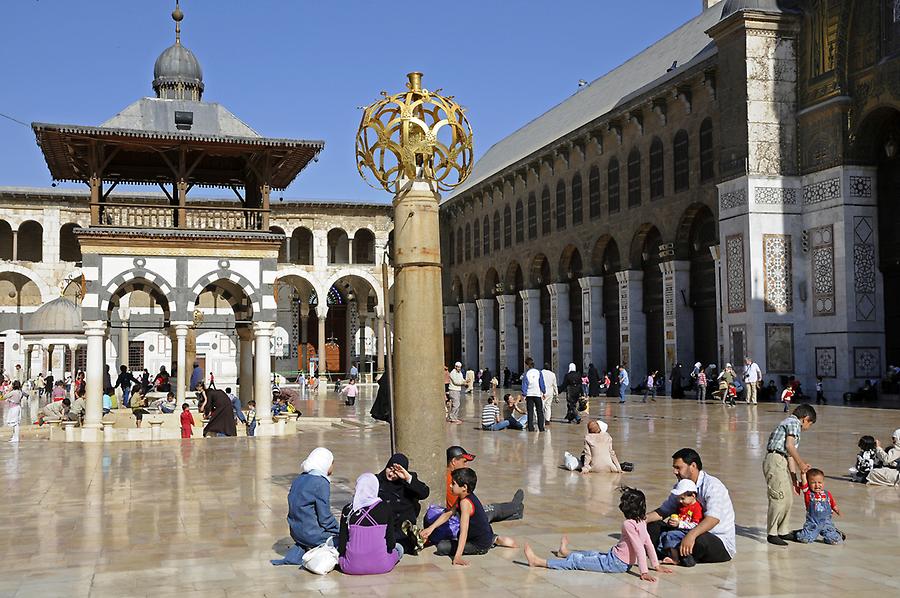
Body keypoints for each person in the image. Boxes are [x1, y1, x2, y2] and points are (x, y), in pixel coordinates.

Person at [524, 487, 672, 582]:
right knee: (592, 553)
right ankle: (565, 552)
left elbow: (640, 547)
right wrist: (656, 565)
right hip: (616, 559)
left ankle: (539, 562)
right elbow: (648, 544)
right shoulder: (641, 522)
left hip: (615, 563)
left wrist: (644, 572)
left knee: (577, 563)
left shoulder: (628, 524)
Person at [645, 448, 736, 563]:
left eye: (678, 467)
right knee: (652, 526)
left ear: (693, 466)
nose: (675, 472)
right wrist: (641, 520)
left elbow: (713, 519)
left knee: (699, 540)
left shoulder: (713, 486)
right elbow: (664, 511)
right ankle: (675, 554)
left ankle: (675, 554)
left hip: (716, 539)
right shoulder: (680, 486)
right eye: (674, 468)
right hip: (686, 530)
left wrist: (691, 535)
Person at [421, 468, 517, 566]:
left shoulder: (465, 503)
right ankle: (494, 539)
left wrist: (458, 556)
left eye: (453, 483)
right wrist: (431, 528)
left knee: (442, 547)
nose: (450, 485)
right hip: (484, 535)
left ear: (464, 487)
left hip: (478, 545)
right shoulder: (464, 496)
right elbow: (448, 513)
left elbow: (464, 531)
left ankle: (490, 542)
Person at [272, 447, 340, 566]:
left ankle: (301, 548)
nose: (333, 467)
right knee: (344, 540)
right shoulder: (320, 483)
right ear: (325, 463)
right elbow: (325, 517)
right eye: (332, 463)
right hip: (312, 534)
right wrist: (339, 531)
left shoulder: (299, 479)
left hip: (296, 532)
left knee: (307, 535)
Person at [763, 404, 816, 546]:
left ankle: (783, 530)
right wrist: (802, 464)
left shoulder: (792, 425)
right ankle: (772, 532)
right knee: (778, 498)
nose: (807, 428)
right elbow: (789, 446)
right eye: (809, 424)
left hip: (782, 460)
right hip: (775, 460)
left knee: (788, 499)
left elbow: (790, 455)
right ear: (805, 419)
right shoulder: (793, 423)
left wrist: (794, 479)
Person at [338, 473, 403, 575]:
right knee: (399, 548)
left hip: (350, 567)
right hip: (382, 566)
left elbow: (342, 546)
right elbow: (391, 544)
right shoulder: (385, 508)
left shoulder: (348, 510)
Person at [376, 453, 430, 554]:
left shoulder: (408, 481)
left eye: (396, 473)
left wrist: (407, 477)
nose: (391, 474)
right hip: (384, 530)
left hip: (403, 531)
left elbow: (424, 493)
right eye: (390, 469)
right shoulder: (377, 481)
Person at [658, 479, 704, 567]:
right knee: (664, 534)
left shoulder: (696, 508)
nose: (680, 501)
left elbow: (696, 524)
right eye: (679, 498)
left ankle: (675, 559)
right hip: (680, 528)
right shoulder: (682, 506)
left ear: (693, 496)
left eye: (683, 498)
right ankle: (666, 552)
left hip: (688, 530)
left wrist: (680, 524)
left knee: (671, 535)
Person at [794, 468, 843, 545]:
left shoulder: (827, 493)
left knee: (835, 540)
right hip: (813, 522)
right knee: (805, 539)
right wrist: (803, 474)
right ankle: (800, 533)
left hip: (826, 521)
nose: (817, 485)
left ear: (823, 482)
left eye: (819, 482)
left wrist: (836, 509)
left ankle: (835, 534)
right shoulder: (808, 492)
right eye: (813, 483)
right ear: (809, 483)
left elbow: (832, 503)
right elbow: (804, 483)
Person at [521, 357, 546, 432]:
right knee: (540, 411)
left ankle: (531, 428)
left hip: (529, 395)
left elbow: (524, 384)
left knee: (530, 411)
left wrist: (524, 394)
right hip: (537, 394)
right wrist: (544, 391)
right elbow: (541, 383)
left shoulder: (526, 373)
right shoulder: (539, 372)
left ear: (527, 365)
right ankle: (541, 428)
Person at [540, 362, 558, 426]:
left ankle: (540, 419)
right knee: (548, 406)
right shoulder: (553, 374)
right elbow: (555, 385)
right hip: (550, 392)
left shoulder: (540, 373)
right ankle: (547, 420)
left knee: (541, 406)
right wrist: (556, 395)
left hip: (542, 392)